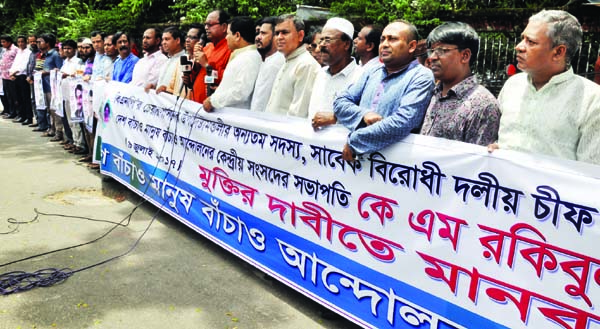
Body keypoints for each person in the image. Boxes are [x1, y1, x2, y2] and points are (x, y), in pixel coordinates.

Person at [489, 10, 600, 165]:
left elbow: (591, 172)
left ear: (558, 52)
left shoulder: (592, 99)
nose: (519, 47)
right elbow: (495, 140)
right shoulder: (513, 85)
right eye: (522, 39)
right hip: (500, 184)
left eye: (531, 42)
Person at [332, 20, 435, 161]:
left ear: (411, 46)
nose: (385, 44)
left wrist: (355, 141)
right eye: (382, 39)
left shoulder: (421, 76)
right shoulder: (372, 70)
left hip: (392, 167)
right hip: (357, 164)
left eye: (392, 39)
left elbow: (403, 122)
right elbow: (340, 102)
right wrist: (363, 114)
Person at [420, 22, 500, 146]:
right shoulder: (431, 93)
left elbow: (477, 161)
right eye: (432, 51)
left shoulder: (482, 105)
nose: (432, 57)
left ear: (465, 56)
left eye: (441, 50)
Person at [265, 15, 321, 118]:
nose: (279, 37)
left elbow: (298, 113)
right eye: (277, 33)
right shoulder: (288, 61)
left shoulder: (306, 65)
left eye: (285, 32)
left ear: (300, 35)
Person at [309, 17, 363, 122]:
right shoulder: (320, 74)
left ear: (346, 44)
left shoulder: (361, 77)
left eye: (327, 40)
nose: (321, 45)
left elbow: (363, 117)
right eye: (321, 40)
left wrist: (336, 119)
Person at [203, 16, 262, 111]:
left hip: (236, 116)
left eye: (228, 34)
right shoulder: (243, 56)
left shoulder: (249, 58)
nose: (226, 38)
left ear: (237, 35)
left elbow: (241, 92)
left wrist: (213, 101)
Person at [188, 9, 232, 103]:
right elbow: (193, 78)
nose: (206, 28)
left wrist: (206, 64)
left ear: (224, 27)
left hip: (212, 108)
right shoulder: (207, 48)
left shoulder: (230, 49)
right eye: (205, 25)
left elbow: (228, 80)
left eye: (210, 25)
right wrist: (196, 65)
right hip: (195, 103)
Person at [250, 16, 285, 112]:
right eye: (258, 33)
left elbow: (262, 101)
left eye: (263, 33)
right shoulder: (266, 60)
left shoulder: (277, 62)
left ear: (275, 36)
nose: (258, 37)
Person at [37, 33, 63, 137]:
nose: (39, 44)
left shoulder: (55, 55)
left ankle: (59, 131)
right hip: (45, 85)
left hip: (53, 87)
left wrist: (47, 72)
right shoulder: (45, 54)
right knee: (49, 109)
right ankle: (51, 128)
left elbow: (60, 69)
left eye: (41, 42)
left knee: (55, 110)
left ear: (47, 43)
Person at [9, 36, 34, 125]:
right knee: (18, 97)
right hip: (15, 76)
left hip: (23, 76)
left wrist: (14, 72)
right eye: (19, 42)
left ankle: (28, 117)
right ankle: (21, 115)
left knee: (25, 97)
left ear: (25, 42)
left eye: (22, 42)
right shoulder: (19, 52)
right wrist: (11, 72)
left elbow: (24, 66)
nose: (20, 44)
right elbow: (15, 63)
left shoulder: (28, 52)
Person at [155, 27, 185, 93]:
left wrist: (167, 89)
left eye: (167, 39)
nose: (163, 42)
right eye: (163, 40)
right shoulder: (167, 61)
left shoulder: (185, 60)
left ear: (177, 40)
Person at [1, 35, 19, 119]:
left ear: (9, 42)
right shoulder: (5, 50)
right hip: (4, 76)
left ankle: (16, 112)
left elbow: (17, 62)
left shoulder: (15, 50)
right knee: (8, 95)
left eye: (4, 42)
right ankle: (10, 111)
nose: (2, 44)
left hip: (12, 76)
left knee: (14, 95)